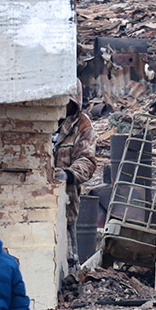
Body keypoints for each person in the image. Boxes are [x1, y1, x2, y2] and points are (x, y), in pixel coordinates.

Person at [53, 87, 97, 246]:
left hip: (67, 205)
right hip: (37, 203)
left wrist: (68, 175)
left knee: (67, 256)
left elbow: (87, 159)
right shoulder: (37, 120)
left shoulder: (81, 124)